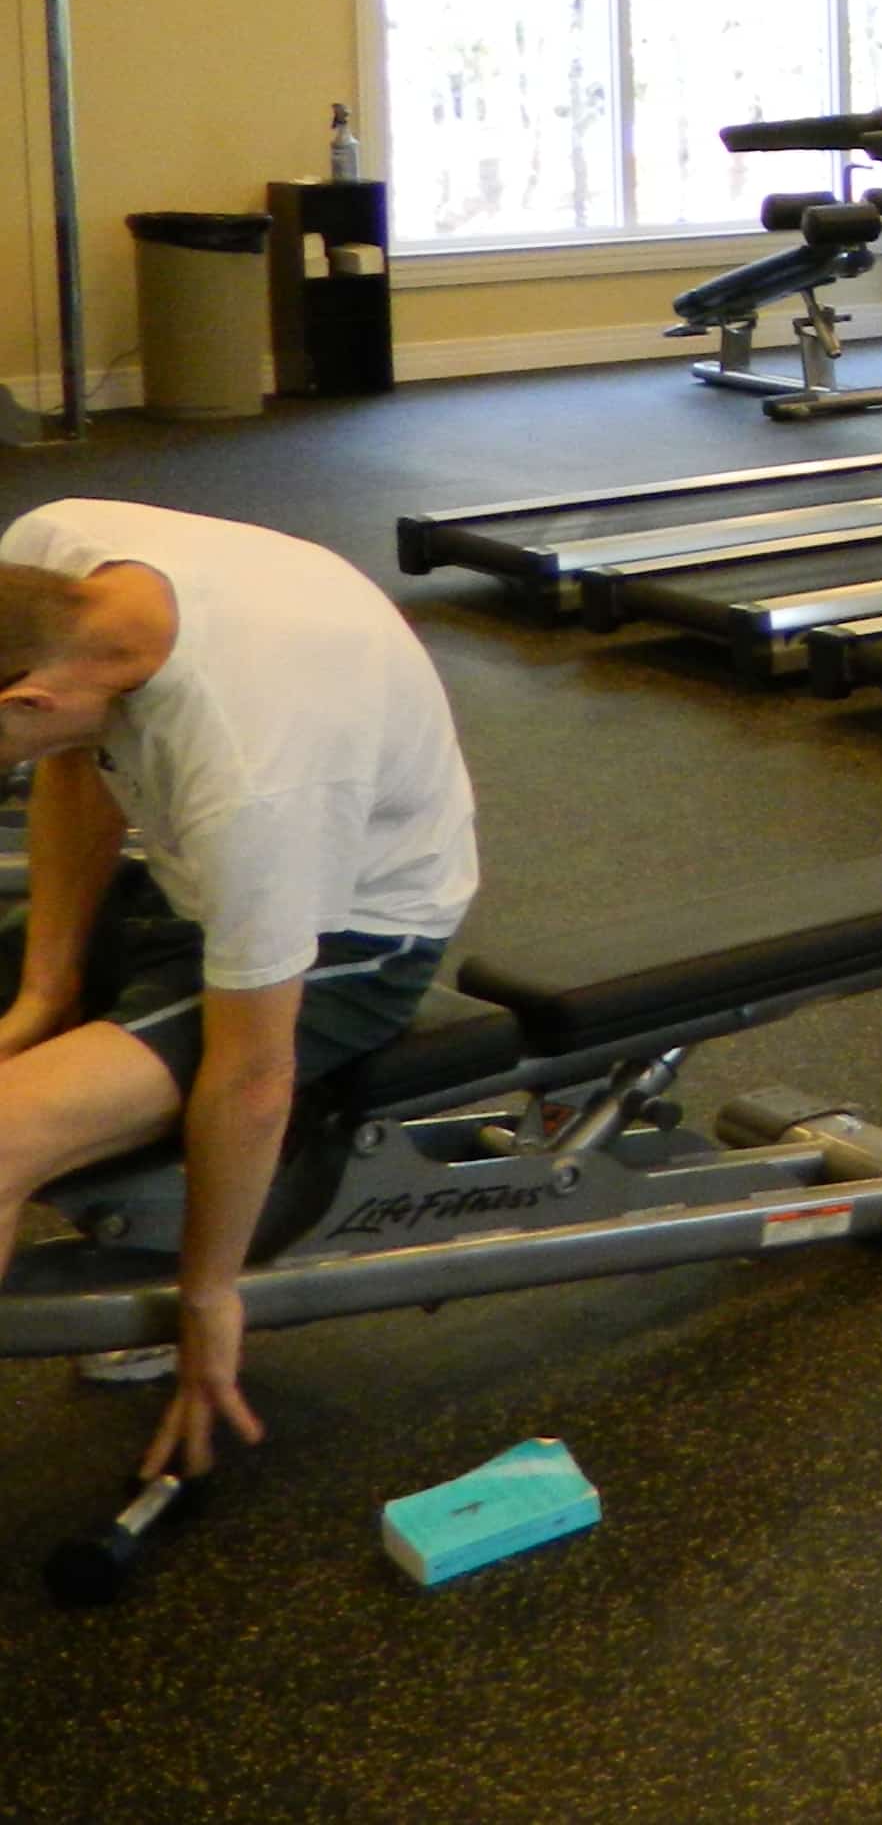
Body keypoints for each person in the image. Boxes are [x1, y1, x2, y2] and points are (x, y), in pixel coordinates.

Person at [0, 502, 477, 1480]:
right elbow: (76, 766)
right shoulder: (49, 559)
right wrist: (45, 991)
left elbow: (254, 1075)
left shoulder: (256, 778)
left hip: (348, 937)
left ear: (31, 700)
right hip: (185, 875)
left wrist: (209, 1296)